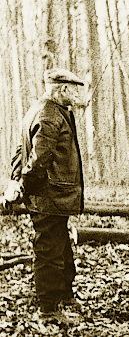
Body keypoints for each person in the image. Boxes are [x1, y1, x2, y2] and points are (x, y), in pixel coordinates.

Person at [2, 69, 87, 324]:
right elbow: (37, 160)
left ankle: (64, 295)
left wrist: (17, 181)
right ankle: (49, 309)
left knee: (60, 247)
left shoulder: (46, 110)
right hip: (49, 197)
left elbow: (21, 152)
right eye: (73, 89)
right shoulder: (49, 115)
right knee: (49, 251)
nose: (76, 94)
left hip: (53, 197)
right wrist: (23, 186)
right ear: (62, 90)